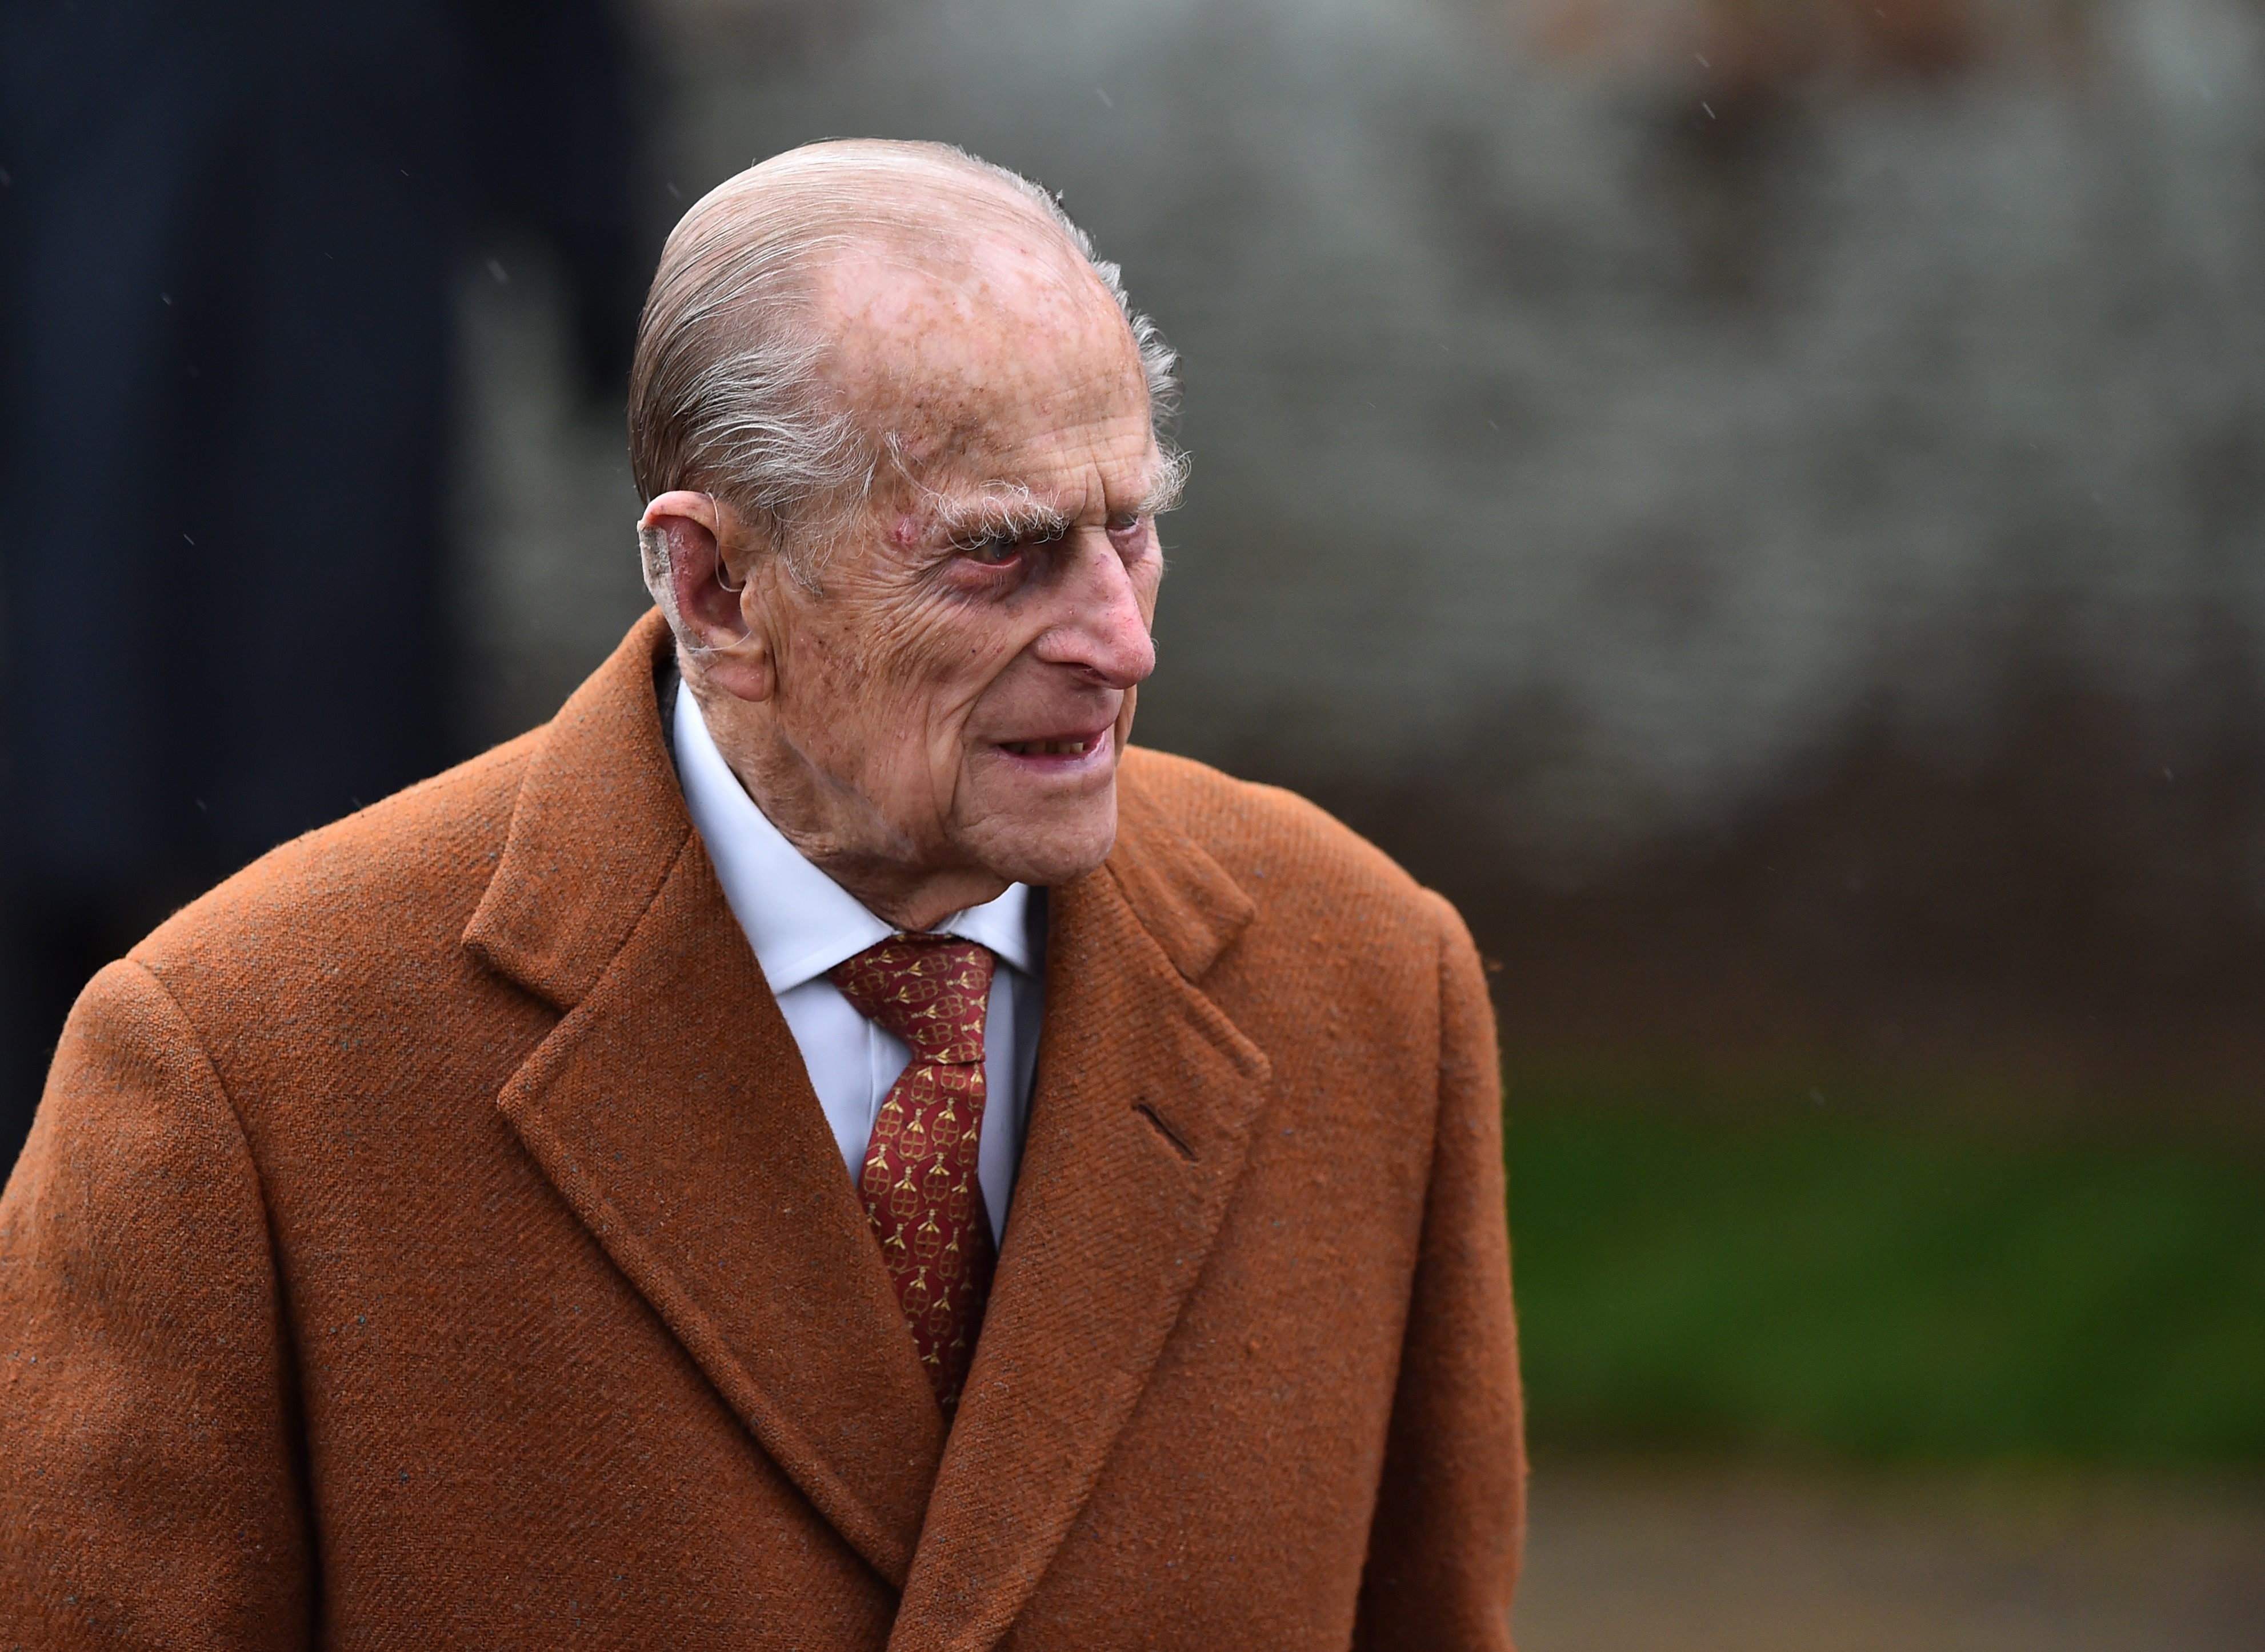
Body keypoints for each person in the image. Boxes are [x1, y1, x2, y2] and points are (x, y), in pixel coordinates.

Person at [0, 141, 1522, 1648]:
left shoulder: (1370, 978)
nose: (1118, 640)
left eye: (1129, 526)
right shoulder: (240, 1065)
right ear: (718, 590)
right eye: (1005, 553)